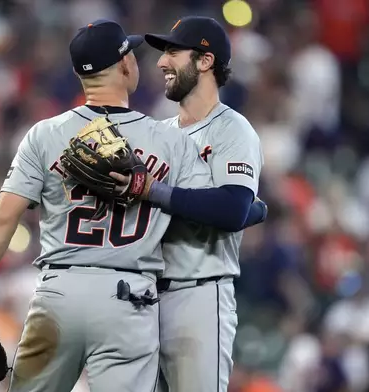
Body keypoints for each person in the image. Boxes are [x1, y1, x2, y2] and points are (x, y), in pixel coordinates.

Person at [0, 19, 214, 392]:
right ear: (124, 65)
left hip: (59, 293)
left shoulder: (44, 135)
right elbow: (210, 213)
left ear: (78, 73)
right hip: (130, 298)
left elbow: (1, 219)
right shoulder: (171, 141)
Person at [113, 16, 265, 392]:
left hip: (197, 294)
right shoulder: (156, 133)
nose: (162, 62)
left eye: (173, 52)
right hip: (142, 299)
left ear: (205, 61)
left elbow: (230, 211)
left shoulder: (232, 129)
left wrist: (155, 193)